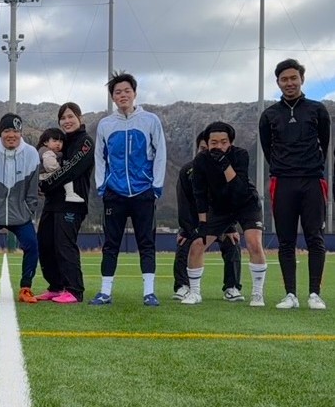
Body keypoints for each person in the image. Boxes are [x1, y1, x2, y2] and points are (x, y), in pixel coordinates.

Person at [259, 58, 330, 310]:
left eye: (293, 78)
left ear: (302, 79)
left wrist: (310, 166)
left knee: (315, 238)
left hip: (312, 181)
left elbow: (324, 143)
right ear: (278, 82)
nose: (289, 83)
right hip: (283, 182)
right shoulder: (269, 115)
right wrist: (283, 167)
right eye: (284, 79)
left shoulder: (317, 110)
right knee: (286, 240)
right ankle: (290, 294)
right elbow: (267, 149)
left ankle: (314, 294)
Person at [91, 72, 167, 306]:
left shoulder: (150, 120)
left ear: (134, 93)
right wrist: (102, 186)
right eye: (117, 92)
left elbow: (160, 154)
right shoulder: (105, 124)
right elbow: (100, 157)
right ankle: (105, 292)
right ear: (112, 97)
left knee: (146, 243)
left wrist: (155, 186)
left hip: (143, 192)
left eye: (127, 91)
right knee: (110, 244)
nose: (122, 95)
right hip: (114, 193)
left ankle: (149, 292)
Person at [183, 122, 267, 306]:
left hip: (246, 203)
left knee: (254, 243)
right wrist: (203, 223)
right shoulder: (201, 160)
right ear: (207, 143)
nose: (219, 146)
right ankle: (194, 292)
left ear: (231, 142)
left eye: (223, 142)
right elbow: (199, 193)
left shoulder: (241, 155)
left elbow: (239, 189)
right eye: (214, 143)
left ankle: (257, 293)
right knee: (197, 244)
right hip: (220, 207)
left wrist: (224, 163)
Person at [0, 113, 41, 304]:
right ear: (0, 132)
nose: (11, 135)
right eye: (6, 130)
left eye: (15, 131)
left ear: (21, 132)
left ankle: (26, 288)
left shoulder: (31, 153)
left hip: (20, 215)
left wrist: (27, 210)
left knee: (32, 244)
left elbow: (32, 190)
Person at [172, 132, 243, 302]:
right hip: (196, 223)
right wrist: (187, 230)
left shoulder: (228, 169)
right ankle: (183, 286)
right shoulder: (187, 171)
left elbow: (234, 199)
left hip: (221, 222)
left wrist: (231, 227)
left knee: (232, 241)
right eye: (202, 149)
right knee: (185, 242)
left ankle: (232, 287)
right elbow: (184, 202)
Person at [37, 103, 94, 304]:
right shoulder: (61, 142)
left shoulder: (85, 142)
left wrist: (45, 185)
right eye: (63, 118)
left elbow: (70, 171)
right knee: (45, 242)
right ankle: (56, 286)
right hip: (53, 202)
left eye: (71, 116)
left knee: (64, 244)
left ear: (80, 118)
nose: (67, 121)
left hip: (72, 203)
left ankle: (74, 290)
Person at [38, 128, 84, 203]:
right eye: (54, 141)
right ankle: (70, 194)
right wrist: (61, 170)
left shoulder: (49, 152)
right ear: (45, 142)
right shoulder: (47, 152)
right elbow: (51, 166)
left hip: (43, 177)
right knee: (66, 175)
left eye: (60, 141)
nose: (58, 144)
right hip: (43, 176)